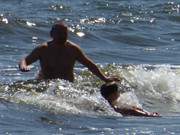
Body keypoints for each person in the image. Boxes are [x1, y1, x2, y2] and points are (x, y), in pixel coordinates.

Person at [19, 22, 119, 83]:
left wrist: (105, 78)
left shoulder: (73, 49)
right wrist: (23, 66)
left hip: (67, 86)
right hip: (46, 84)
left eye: (64, 33)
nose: (62, 36)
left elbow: (89, 64)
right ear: (51, 34)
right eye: (59, 33)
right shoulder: (43, 49)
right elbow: (25, 60)